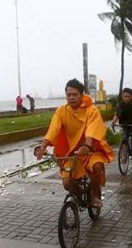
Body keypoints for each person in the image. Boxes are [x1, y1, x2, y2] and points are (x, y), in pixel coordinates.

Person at [35, 79, 114, 208]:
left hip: (90, 150)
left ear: (82, 95)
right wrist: (42, 147)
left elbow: (92, 130)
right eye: (68, 94)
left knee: (97, 166)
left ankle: (94, 194)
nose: (71, 97)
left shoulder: (91, 110)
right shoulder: (61, 111)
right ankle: (82, 193)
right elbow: (53, 130)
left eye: (75, 94)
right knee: (67, 183)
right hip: (72, 154)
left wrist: (86, 146)